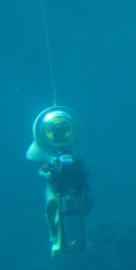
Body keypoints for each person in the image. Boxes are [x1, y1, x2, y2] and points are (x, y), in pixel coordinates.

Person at [27, 107, 92, 255]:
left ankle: (78, 222)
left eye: (62, 129)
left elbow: (82, 166)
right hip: (54, 187)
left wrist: (84, 177)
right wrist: (48, 174)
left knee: (88, 200)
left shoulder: (76, 149)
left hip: (77, 185)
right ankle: (53, 230)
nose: (59, 133)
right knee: (51, 205)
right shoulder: (43, 152)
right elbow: (41, 170)